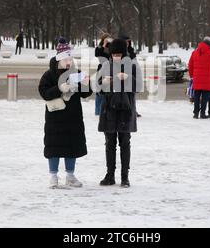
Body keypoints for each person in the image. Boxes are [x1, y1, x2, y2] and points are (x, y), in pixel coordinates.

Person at [38, 38, 92, 189]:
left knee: (72, 146)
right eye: (65, 59)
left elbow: (86, 94)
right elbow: (44, 92)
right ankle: (53, 176)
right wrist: (60, 88)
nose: (68, 62)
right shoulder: (49, 75)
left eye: (70, 58)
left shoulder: (76, 73)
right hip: (55, 117)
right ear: (59, 60)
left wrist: (86, 85)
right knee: (54, 146)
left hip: (73, 117)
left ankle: (70, 175)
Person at [97, 38, 143, 187]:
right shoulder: (105, 66)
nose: (116, 57)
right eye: (114, 54)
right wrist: (103, 83)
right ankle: (110, 175)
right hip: (109, 110)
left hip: (126, 110)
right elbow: (97, 88)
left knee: (125, 143)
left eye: (119, 54)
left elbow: (139, 86)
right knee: (109, 144)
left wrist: (128, 77)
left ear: (124, 54)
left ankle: (125, 176)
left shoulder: (132, 66)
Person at [94, 34, 113, 116]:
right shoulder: (100, 46)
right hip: (101, 69)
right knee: (99, 91)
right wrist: (104, 45)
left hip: (110, 69)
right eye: (106, 39)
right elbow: (97, 54)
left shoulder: (111, 47)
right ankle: (98, 111)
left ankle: (107, 110)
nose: (108, 40)